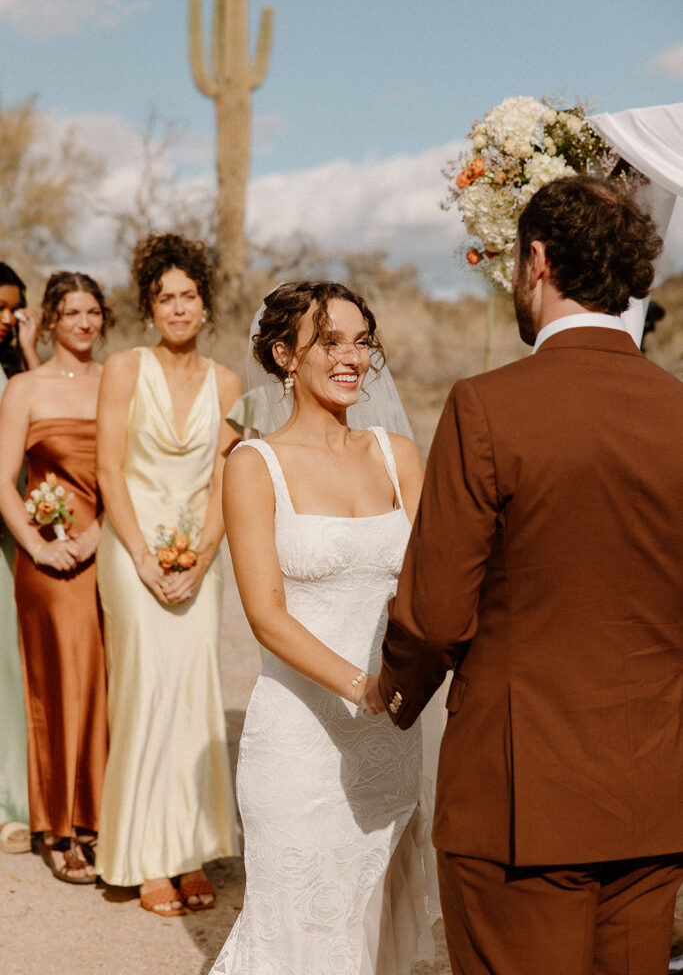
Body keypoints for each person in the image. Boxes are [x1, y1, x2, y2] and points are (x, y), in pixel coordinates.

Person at [367, 174, 683, 975]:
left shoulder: (486, 407)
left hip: (517, 802)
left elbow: (435, 614)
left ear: (535, 260)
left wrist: (392, 693)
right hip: (654, 796)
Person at [210, 280, 438, 975]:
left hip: (391, 736)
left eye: (361, 341)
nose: (351, 357)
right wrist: (360, 684)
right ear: (284, 355)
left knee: (370, 924)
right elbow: (264, 614)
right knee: (296, 929)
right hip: (300, 745)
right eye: (329, 341)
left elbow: (432, 586)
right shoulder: (253, 465)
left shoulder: (396, 456)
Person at [95, 233, 242, 916]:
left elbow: (224, 485)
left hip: (199, 555)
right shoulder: (124, 369)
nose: (178, 309)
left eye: (188, 297)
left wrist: (203, 557)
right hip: (130, 551)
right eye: (165, 298)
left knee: (194, 694)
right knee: (145, 689)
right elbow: (106, 471)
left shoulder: (229, 385)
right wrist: (147, 560)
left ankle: (188, 852)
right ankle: (144, 856)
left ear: (204, 306)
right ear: (150, 308)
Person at [0, 271, 111, 882]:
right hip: (48, 560)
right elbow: (1, 481)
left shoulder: (118, 381)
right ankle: (59, 826)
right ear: (51, 319)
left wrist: (103, 532)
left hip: (110, 551)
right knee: (59, 685)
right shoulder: (24, 388)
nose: (85, 323)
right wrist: (37, 549)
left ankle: (101, 817)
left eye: (93, 310)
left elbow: (130, 471)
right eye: (71, 312)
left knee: (107, 686)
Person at [0, 262, 40, 855]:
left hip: (10, 540)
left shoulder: (17, 375)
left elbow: (47, 433)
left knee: (11, 671)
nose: (6, 321)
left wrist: (29, 352)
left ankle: (13, 801)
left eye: (14, 309)